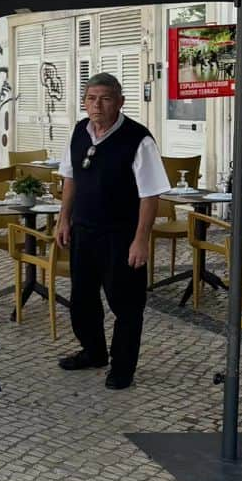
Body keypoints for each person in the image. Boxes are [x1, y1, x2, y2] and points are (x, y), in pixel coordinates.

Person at [55, 73, 166, 390]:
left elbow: (150, 193)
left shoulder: (138, 140)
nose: (97, 105)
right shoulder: (80, 131)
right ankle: (94, 352)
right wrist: (64, 219)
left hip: (121, 235)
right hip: (85, 231)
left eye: (104, 98)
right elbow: (70, 177)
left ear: (120, 102)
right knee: (82, 299)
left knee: (126, 304)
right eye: (91, 98)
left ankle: (122, 368)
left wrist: (141, 240)